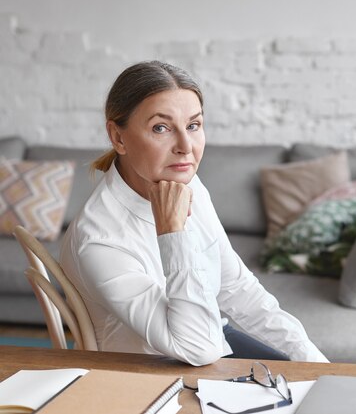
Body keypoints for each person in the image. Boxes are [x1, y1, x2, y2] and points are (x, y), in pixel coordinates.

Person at [60, 60, 328, 366]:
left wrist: (316, 362)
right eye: (161, 128)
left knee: (316, 386)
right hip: (151, 374)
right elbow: (197, 348)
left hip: (212, 343)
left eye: (193, 125)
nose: (186, 146)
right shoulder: (99, 239)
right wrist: (173, 233)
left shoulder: (188, 184)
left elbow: (236, 287)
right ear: (118, 137)